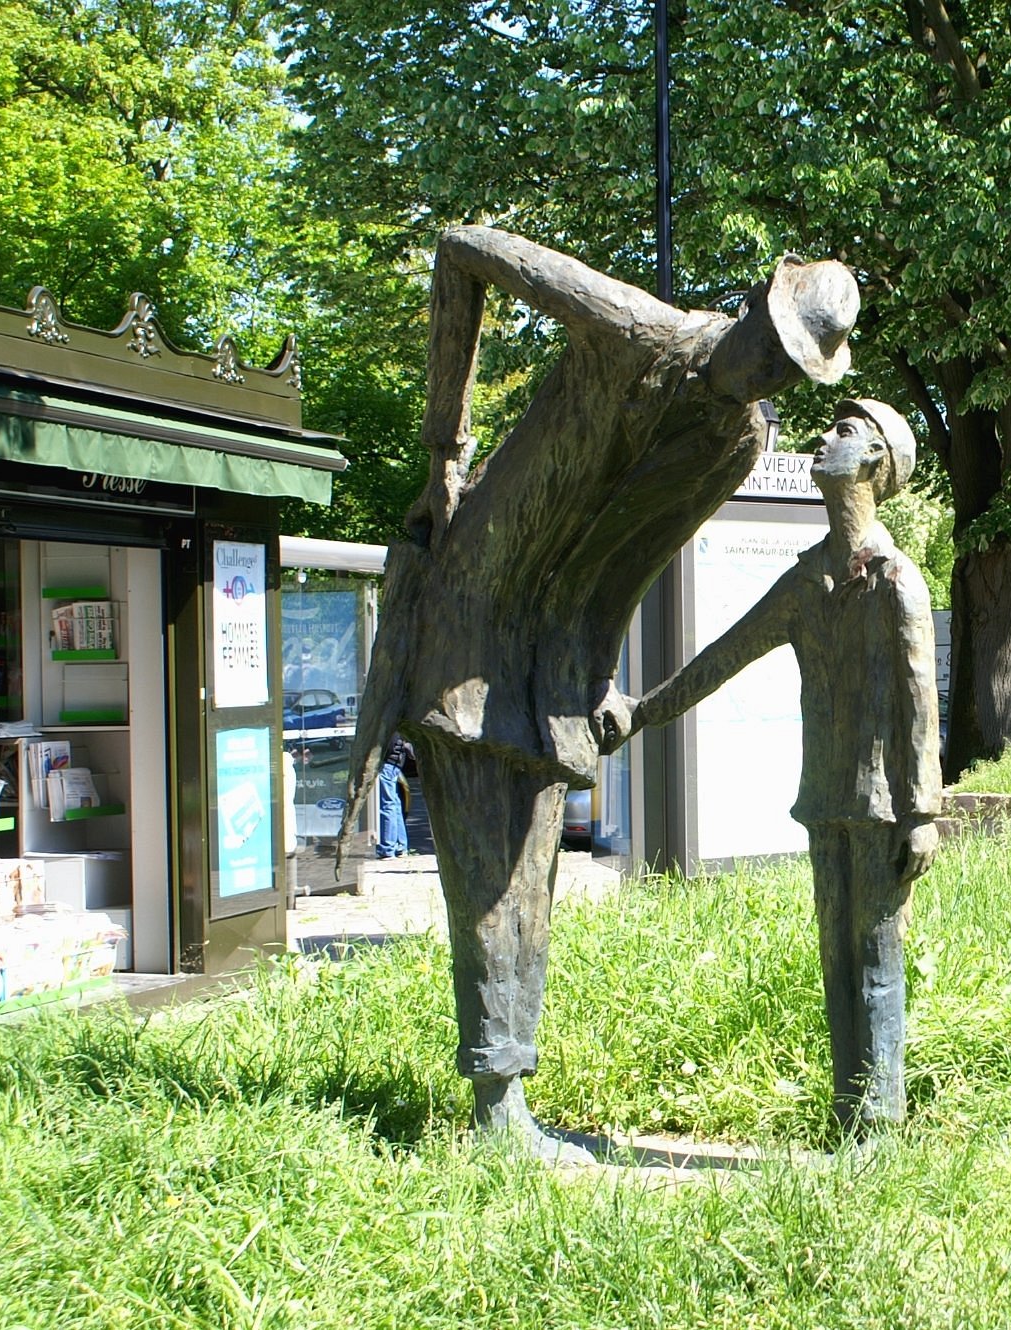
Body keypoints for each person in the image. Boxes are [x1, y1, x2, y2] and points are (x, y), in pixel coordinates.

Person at [348, 226, 859, 1159]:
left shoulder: (739, 443)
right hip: (471, 620)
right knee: (488, 878)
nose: (771, 380)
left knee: (529, 879)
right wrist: (441, 459)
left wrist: (595, 680)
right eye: (773, 350)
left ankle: (507, 1102)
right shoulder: (634, 329)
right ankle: (496, 1108)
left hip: (553, 670)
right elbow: (461, 252)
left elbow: (630, 557)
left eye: (793, 372)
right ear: (752, 307)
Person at [622, 399, 942, 1132]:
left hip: (884, 808)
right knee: (836, 961)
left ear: (873, 464)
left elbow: (922, 704)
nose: (821, 440)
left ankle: (881, 1128)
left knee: (877, 960)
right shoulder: (807, 582)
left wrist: (923, 815)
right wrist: (642, 710)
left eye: (843, 432)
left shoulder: (897, 580)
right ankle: (848, 1115)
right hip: (824, 798)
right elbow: (724, 655)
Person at [375, 734, 416, 858]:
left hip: (386, 761)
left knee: (387, 805)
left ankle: (387, 848)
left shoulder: (385, 717)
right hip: (395, 760)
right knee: (394, 804)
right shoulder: (396, 718)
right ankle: (400, 846)